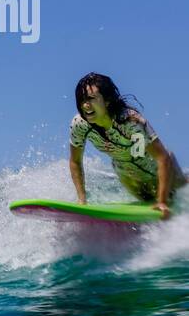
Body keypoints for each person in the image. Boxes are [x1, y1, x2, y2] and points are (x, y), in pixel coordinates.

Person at [69, 72, 184, 218]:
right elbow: (75, 161)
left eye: (91, 98)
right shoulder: (80, 125)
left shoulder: (130, 121)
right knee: (147, 202)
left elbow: (162, 158)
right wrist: (82, 200)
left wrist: (162, 202)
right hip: (128, 174)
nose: (85, 105)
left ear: (107, 101)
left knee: (179, 191)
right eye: (82, 100)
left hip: (160, 169)